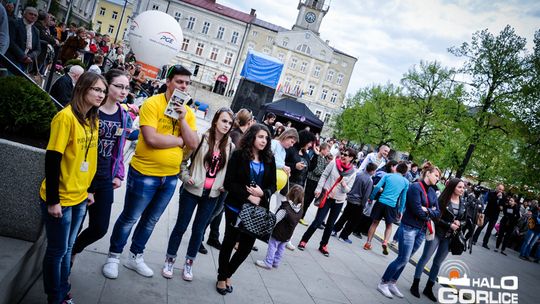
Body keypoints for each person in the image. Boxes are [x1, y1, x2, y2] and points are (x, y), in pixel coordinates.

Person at [102, 65, 198, 279]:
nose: (184, 86)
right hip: (145, 172)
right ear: (169, 82)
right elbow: (152, 139)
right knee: (130, 217)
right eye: (179, 82)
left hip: (171, 176)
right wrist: (179, 140)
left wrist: (182, 120)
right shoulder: (153, 104)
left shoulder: (188, 112)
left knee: (151, 220)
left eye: (187, 83)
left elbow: (193, 143)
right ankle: (114, 256)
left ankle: (135, 256)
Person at [39, 72, 106, 304]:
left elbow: (92, 158)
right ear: (83, 89)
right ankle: (54, 297)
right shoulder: (64, 117)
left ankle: (63, 289)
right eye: (97, 89)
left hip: (80, 196)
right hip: (61, 198)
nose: (101, 95)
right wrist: (53, 200)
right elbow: (52, 159)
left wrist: (90, 189)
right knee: (57, 251)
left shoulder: (93, 119)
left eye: (103, 91)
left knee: (68, 249)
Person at [162, 108, 235, 281]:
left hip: (212, 195)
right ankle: (170, 259)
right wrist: (186, 176)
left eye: (230, 123)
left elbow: (230, 171)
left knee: (199, 230)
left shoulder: (230, 146)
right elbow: (183, 160)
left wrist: (225, 184)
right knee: (181, 226)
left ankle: (189, 264)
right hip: (191, 191)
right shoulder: (201, 139)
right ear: (216, 120)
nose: (227, 125)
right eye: (224, 121)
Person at [72, 69, 133, 264]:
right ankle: (65, 259)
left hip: (106, 176)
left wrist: (119, 174)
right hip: (83, 176)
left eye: (127, 87)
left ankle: (72, 250)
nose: (124, 91)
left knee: (100, 228)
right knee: (76, 223)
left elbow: (120, 145)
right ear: (107, 86)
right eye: (119, 86)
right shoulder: (92, 109)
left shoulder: (123, 115)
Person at [217, 124, 276, 295]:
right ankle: (222, 277)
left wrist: (263, 193)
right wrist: (248, 195)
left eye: (266, 138)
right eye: (260, 137)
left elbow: (273, 185)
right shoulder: (238, 155)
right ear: (252, 137)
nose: (264, 140)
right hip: (235, 207)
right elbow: (229, 182)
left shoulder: (269, 159)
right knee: (229, 242)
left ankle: (228, 273)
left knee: (246, 247)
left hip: (256, 212)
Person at [377, 163, 441, 299]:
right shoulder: (415, 187)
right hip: (409, 227)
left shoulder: (432, 192)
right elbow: (417, 210)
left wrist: (427, 210)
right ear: (428, 173)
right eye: (436, 175)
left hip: (422, 230)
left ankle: (392, 282)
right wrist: (429, 211)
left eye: (439, 177)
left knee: (406, 259)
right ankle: (383, 282)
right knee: (403, 258)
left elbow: (438, 212)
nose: (437, 178)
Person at [411, 178, 467, 302]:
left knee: (437, 263)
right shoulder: (442, 200)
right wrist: (449, 225)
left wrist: (460, 222)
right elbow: (435, 217)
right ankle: (415, 284)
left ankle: (428, 288)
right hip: (437, 233)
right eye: (460, 187)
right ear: (453, 187)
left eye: (463, 187)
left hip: (449, 237)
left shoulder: (463, 203)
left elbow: (465, 219)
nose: (462, 190)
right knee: (425, 258)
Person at [298, 147, 357, 257]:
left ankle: (323, 245)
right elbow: (324, 175)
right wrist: (319, 189)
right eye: (343, 153)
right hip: (327, 196)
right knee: (318, 221)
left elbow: (348, 190)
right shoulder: (334, 163)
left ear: (351, 158)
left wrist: (344, 184)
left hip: (339, 201)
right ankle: (304, 240)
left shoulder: (353, 173)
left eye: (346, 155)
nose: (343, 155)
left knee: (330, 225)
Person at [364, 162, 409, 255]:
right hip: (392, 206)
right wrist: (401, 210)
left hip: (381, 202)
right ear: (405, 173)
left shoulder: (388, 176)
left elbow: (377, 187)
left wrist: (371, 197)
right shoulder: (406, 182)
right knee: (389, 226)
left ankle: (368, 243)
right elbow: (403, 198)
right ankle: (385, 241)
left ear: (396, 169)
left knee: (374, 223)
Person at [255, 185, 304, 270]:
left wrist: (269, 226)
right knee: (281, 248)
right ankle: (276, 262)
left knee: (272, 246)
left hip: (278, 232)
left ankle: (268, 262)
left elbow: (276, 219)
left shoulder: (285, 208)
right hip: (288, 234)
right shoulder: (300, 210)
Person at [332, 162, 377, 243]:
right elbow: (366, 195)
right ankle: (344, 236)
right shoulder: (369, 180)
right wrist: (363, 205)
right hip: (358, 202)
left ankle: (334, 229)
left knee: (344, 216)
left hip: (350, 198)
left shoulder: (358, 174)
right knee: (353, 221)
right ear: (372, 171)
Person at [472, 184, 507, 249]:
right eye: (499, 189)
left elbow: (503, 206)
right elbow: (490, 201)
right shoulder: (491, 193)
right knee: (481, 226)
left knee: (489, 230)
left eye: (502, 190)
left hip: (495, 215)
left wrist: (501, 201)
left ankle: (485, 243)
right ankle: (474, 239)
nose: (501, 191)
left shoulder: (504, 196)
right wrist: (497, 197)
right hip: (488, 213)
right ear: (496, 188)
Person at [6, 7, 41, 71]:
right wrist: (23, 56)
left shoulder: (36, 31)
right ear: (24, 14)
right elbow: (11, 42)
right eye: (31, 14)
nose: (33, 16)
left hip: (26, 63)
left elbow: (38, 49)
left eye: (35, 15)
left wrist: (29, 57)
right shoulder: (14, 23)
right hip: (12, 58)